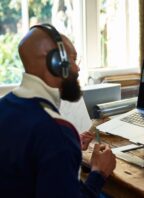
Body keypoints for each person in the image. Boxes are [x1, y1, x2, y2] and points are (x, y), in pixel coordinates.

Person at [0, 24, 116, 198]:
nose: (77, 69)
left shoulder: (5, 106)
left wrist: (68, 148)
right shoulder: (57, 130)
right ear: (55, 62)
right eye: (73, 60)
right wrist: (99, 173)